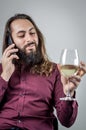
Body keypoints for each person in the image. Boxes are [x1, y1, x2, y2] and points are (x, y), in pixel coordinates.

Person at [0, 13, 86, 130]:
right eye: (21, 35)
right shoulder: (1, 70)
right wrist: (4, 76)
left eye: (32, 33)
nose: (29, 39)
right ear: (10, 42)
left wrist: (68, 93)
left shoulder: (55, 71)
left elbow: (67, 121)